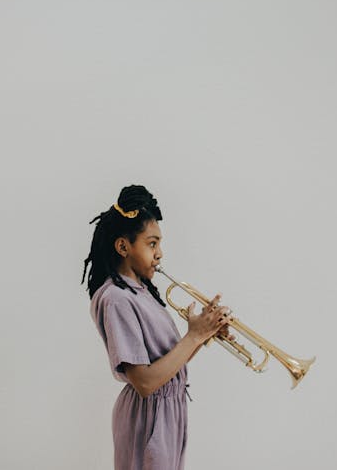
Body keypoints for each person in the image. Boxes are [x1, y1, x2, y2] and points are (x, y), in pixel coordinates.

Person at [82, 184, 233, 470]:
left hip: (168, 412)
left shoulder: (141, 291)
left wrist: (204, 334)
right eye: (152, 243)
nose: (160, 253)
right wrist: (194, 335)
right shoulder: (116, 298)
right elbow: (145, 382)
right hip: (148, 419)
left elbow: (167, 367)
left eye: (159, 244)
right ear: (123, 246)